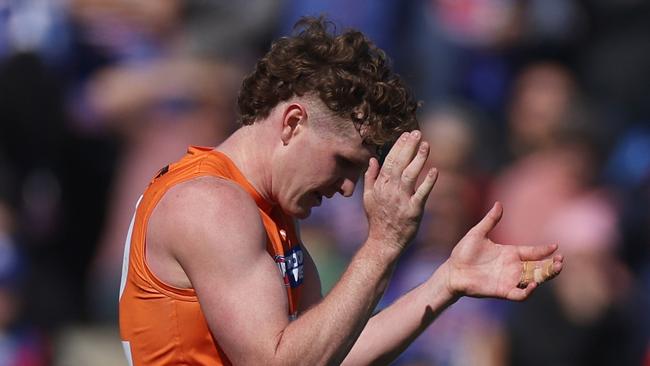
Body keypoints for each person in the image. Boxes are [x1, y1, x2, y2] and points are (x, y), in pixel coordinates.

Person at [119, 17, 563, 365]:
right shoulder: (211, 204)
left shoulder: (270, 214)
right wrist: (383, 245)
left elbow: (330, 352)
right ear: (293, 123)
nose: (348, 187)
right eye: (343, 162)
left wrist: (446, 283)